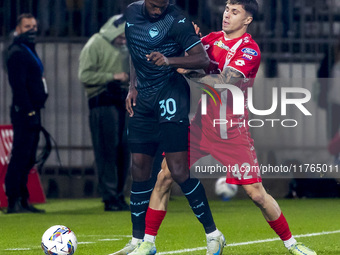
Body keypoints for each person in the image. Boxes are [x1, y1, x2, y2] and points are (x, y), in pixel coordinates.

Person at [133, 0, 317, 254]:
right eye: (226, 9)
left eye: (235, 11)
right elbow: (186, 53)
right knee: (165, 175)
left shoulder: (249, 50)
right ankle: (148, 243)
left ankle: (292, 243)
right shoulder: (211, 39)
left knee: (256, 194)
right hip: (201, 125)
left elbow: (224, 84)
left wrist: (186, 69)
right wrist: (186, 39)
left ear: (247, 19)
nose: (227, 15)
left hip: (231, 131)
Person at [112, 0, 225, 254]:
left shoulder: (177, 20)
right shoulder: (131, 12)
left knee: (178, 169)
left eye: (163, 5)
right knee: (139, 168)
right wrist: (132, 86)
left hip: (171, 93)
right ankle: (138, 241)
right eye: (154, 5)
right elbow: (135, 52)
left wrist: (169, 60)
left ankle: (214, 234)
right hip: (142, 98)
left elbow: (202, 59)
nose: (158, 10)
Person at [78, 14, 130, 211]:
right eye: (121, 36)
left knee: (124, 150)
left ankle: (119, 195)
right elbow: (84, 75)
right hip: (102, 103)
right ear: (113, 30)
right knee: (107, 150)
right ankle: (109, 197)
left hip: (123, 102)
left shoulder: (127, 47)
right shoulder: (95, 44)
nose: (123, 40)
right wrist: (112, 76)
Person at [5, 13, 48, 214]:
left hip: (32, 110)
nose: (32, 29)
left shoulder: (27, 50)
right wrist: (29, 111)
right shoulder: (16, 52)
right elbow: (18, 87)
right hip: (24, 112)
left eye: (34, 26)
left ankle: (23, 199)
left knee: (29, 156)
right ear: (18, 29)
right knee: (20, 156)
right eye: (27, 26)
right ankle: (13, 200)